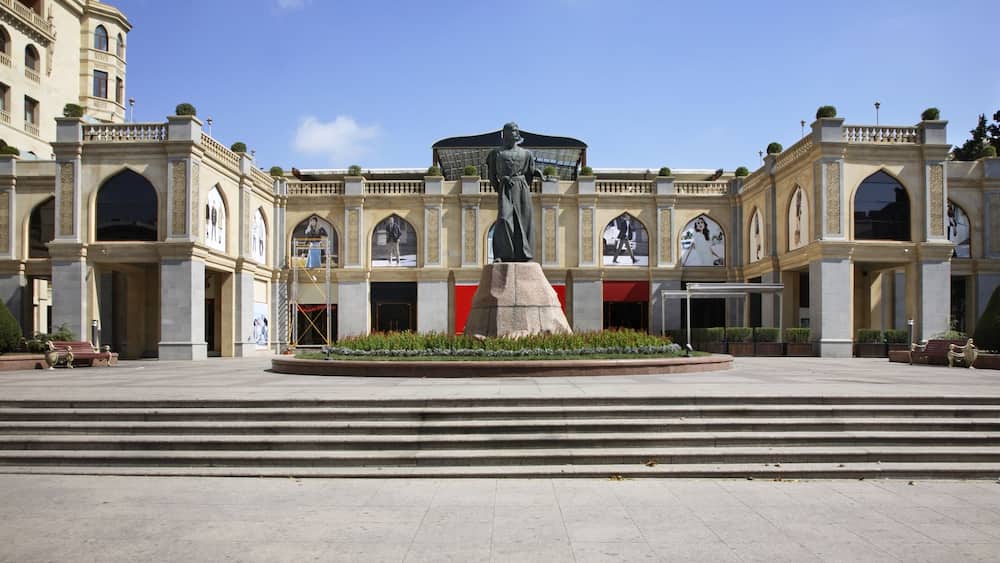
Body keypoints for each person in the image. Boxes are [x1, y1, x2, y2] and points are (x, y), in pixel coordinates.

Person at [486, 122, 540, 262]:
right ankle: (502, 254)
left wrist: (536, 174)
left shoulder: (526, 154)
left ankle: (524, 254)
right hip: (505, 188)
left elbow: (529, 174)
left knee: (523, 220)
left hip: (521, 188)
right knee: (504, 219)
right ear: (505, 134)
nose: (513, 133)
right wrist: (500, 187)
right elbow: (491, 175)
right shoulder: (496, 153)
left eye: (515, 131)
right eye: (510, 131)